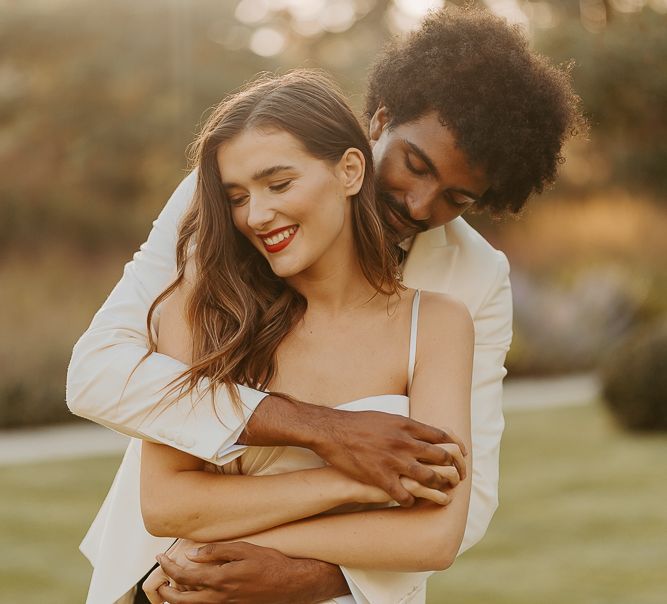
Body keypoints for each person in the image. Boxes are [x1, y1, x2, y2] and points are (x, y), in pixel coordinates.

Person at [67, 6, 582, 603]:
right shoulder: (239, 200)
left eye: (457, 197)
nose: (419, 204)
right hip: (167, 578)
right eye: (414, 163)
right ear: (380, 122)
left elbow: (466, 491)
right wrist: (324, 432)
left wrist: (306, 575)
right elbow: (98, 374)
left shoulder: (471, 285)